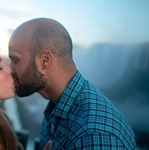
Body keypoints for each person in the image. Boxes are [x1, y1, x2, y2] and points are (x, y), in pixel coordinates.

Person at [8, 18, 136, 149]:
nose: (9, 69)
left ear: (44, 60)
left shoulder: (92, 136)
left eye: (15, 60)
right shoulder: (56, 108)